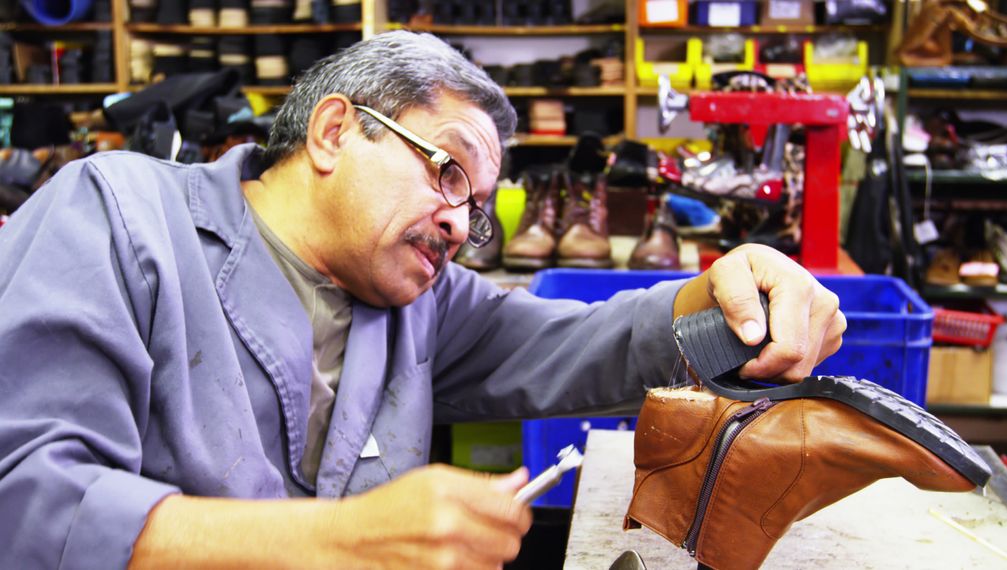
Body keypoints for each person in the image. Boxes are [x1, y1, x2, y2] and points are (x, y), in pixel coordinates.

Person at [0, 31, 844, 569]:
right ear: (334, 132)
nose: (458, 221)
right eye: (446, 171)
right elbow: (26, 502)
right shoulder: (115, 216)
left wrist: (731, 296)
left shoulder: (418, 304)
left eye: (476, 207)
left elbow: (583, 344)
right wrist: (339, 543)